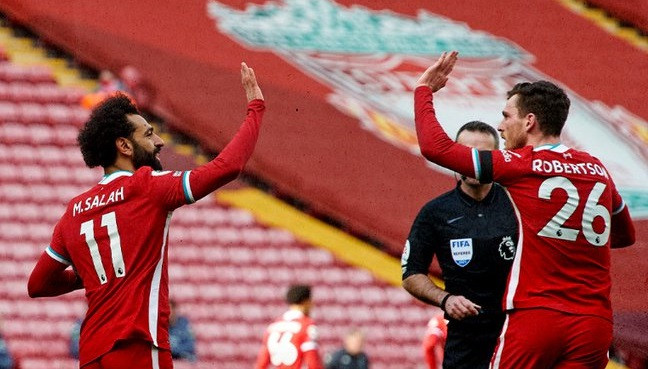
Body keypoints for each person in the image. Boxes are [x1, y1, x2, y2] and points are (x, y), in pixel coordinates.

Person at [27, 62, 265, 369]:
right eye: (148, 134)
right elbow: (228, 167)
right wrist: (256, 107)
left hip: (92, 354)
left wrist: (88, 274)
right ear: (124, 145)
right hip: (137, 345)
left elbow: (37, 285)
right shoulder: (147, 187)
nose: (159, 142)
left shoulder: (74, 210)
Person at [413, 51, 636, 369]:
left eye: (506, 116)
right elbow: (625, 234)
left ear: (529, 121)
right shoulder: (597, 168)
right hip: (593, 323)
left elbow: (435, 148)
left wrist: (423, 90)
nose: (500, 127)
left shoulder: (519, 165)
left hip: (537, 317)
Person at [402, 120, 518, 369]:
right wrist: (446, 299)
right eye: (466, 154)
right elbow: (411, 274)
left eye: (483, 155)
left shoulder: (518, 205)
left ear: (495, 158)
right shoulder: (436, 212)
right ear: (454, 157)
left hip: (517, 333)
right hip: (466, 339)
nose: (473, 162)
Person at [255, 285, 323, 369]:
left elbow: (261, 364)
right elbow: (312, 360)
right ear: (306, 302)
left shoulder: (272, 327)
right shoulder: (307, 326)